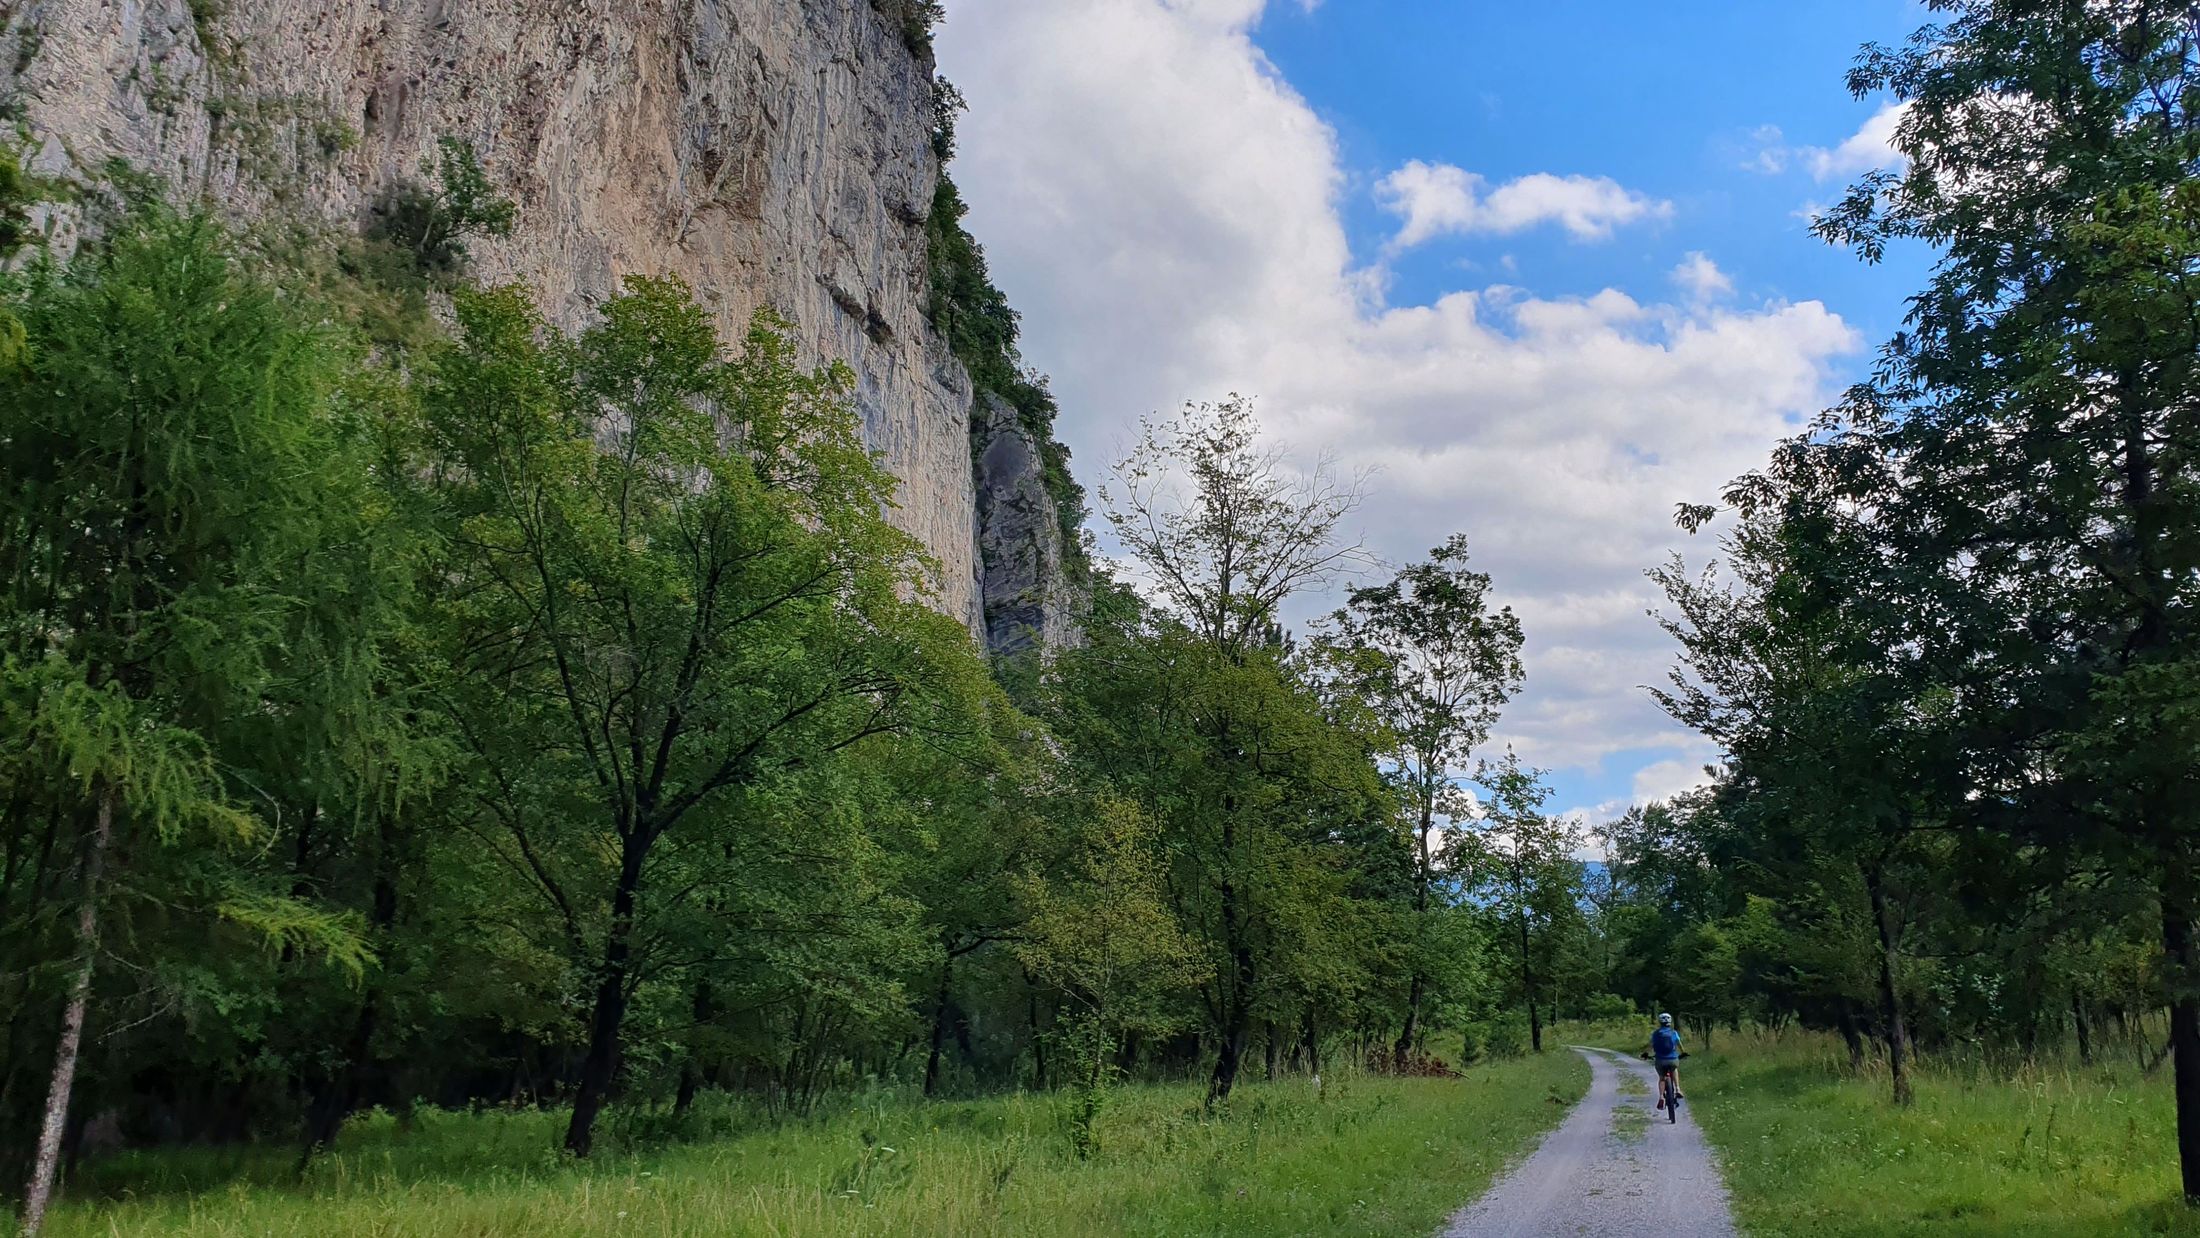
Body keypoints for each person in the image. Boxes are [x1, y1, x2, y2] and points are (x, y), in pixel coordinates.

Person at [1651, 1013, 1684, 1108]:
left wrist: (1645, 1053)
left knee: (1662, 1078)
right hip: (1672, 1059)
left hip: (1660, 1060)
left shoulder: (1656, 1034)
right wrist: (1683, 1052)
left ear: (1660, 1022)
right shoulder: (1674, 1033)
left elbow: (1651, 1045)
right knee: (1674, 1069)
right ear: (1670, 1022)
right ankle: (1677, 1089)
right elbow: (1679, 1044)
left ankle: (1661, 1096)